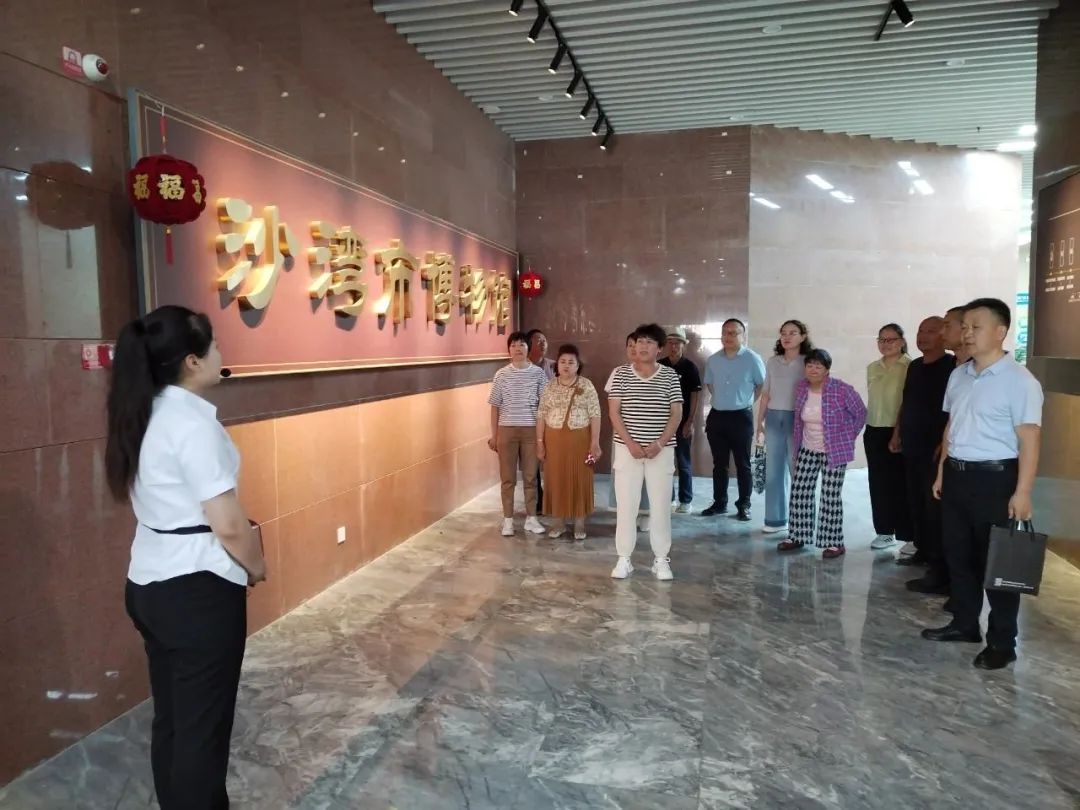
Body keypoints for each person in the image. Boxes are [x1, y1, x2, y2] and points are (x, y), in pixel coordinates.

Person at [106, 305, 266, 810]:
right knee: (202, 732)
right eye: (214, 346)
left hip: (149, 582)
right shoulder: (191, 425)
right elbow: (229, 524)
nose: (221, 354)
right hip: (197, 591)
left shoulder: (141, 411)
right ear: (192, 361)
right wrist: (256, 567)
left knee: (174, 720)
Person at [922, 298, 1043, 671]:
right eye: (965, 327)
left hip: (996, 479)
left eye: (976, 327)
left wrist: (1023, 492)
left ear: (1001, 331)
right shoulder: (959, 375)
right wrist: (942, 471)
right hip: (957, 475)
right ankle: (964, 623)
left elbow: (1030, 439)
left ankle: (1002, 643)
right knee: (958, 555)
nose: (967, 333)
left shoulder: (1020, 381)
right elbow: (951, 426)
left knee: (997, 563)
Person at [608, 323, 683, 581]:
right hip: (627, 450)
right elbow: (614, 412)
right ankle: (623, 558)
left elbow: (676, 413)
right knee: (626, 506)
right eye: (640, 341)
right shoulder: (620, 374)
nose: (642, 346)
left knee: (660, 506)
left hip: (660, 452)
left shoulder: (670, 376)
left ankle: (661, 559)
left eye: (649, 342)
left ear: (659, 348)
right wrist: (630, 443)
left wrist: (659, 443)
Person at [778, 349, 867, 559]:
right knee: (800, 491)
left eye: (818, 366)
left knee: (830, 495)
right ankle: (797, 536)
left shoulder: (842, 389)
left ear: (827, 369)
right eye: (809, 365)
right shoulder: (802, 388)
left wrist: (847, 436)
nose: (813, 369)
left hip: (834, 450)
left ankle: (834, 542)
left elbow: (861, 413)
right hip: (807, 448)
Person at [892, 317, 956, 592]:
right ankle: (922, 548)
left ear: (944, 335)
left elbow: (954, 410)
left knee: (933, 506)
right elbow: (906, 401)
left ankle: (937, 563)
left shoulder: (953, 366)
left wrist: (944, 442)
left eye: (931, 331)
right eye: (920, 330)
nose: (923, 336)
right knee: (915, 499)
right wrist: (897, 433)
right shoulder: (915, 366)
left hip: (936, 448)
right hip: (912, 443)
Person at [702, 318, 766, 521]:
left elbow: (761, 385)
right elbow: (710, 385)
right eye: (725, 332)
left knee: (743, 464)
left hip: (741, 418)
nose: (728, 337)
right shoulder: (713, 360)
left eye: (733, 333)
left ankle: (744, 505)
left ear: (743, 336)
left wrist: (746, 401)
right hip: (717, 417)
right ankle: (719, 503)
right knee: (719, 464)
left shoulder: (752, 359)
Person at [536, 344, 602, 540]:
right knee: (555, 480)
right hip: (554, 440)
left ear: (578, 365)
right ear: (557, 364)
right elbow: (541, 415)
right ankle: (558, 523)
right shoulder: (550, 386)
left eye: (571, 362)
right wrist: (540, 442)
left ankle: (580, 523)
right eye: (562, 361)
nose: (566, 365)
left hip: (581, 440)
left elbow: (595, 415)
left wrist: (595, 442)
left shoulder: (587, 385)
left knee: (580, 479)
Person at [755, 319, 813, 534]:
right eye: (783, 333)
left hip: (799, 420)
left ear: (803, 336)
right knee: (773, 470)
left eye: (793, 333)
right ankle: (775, 519)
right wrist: (759, 422)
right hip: (773, 419)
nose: (787, 337)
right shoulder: (773, 361)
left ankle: (802, 523)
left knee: (798, 470)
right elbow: (766, 393)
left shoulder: (808, 362)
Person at [488, 332, 548, 537]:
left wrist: (542, 437)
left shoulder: (538, 374)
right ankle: (508, 520)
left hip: (531, 430)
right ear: (509, 350)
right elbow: (495, 406)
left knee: (531, 477)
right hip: (506, 430)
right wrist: (494, 435)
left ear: (528, 348)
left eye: (522, 344)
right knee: (508, 478)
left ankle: (532, 518)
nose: (518, 348)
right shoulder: (501, 375)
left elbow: (544, 407)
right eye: (513, 345)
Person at [865, 323, 912, 551]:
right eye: (881, 340)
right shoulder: (873, 367)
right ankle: (884, 532)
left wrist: (898, 432)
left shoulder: (910, 367)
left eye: (891, 339)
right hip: (874, 430)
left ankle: (908, 534)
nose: (886, 344)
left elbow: (908, 403)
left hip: (898, 431)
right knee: (878, 483)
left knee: (900, 484)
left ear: (901, 341)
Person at [605, 333, 650, 529]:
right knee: (623, 475)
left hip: (648, 432)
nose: (633, 349)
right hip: (623, 434)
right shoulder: (618, 372)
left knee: (647, 475)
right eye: (630, 345)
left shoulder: (656, 371)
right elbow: (613, 407)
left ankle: (646, 514)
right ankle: (626, 514)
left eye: (636, 344)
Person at [659, 326, 702, 513]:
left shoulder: (690, 367)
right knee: (665, 463)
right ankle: (668, 499)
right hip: (662, 423)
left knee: (683, 462)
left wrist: (689, 421)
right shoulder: (659, 365)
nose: (673, 346)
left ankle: (686, 500)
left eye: (677, 343)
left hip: (683, 422)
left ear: (684, 345)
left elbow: (695, 395)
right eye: (670, 343)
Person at [526, 328, 555, 514]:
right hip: (530, 422)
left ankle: (554, 499)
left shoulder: (554, 366)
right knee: (532, 466)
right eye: (538, 340)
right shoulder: (523, 367)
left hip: (552, 422)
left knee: (552, 462)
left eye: (544, 340)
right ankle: (538, 501)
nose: (543, 343)